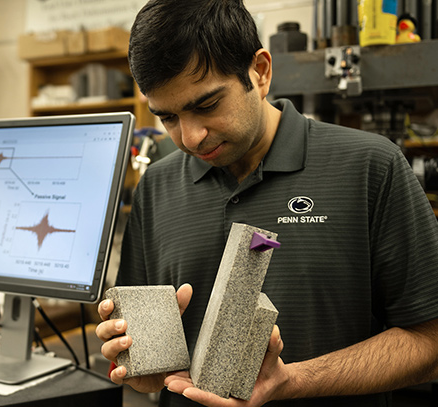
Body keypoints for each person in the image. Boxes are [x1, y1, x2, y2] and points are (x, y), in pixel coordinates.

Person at [95, 0, 438, 406]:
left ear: (259, 71)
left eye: (206, 105)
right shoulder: (157, 185)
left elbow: (429, 343)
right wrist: (140, 367)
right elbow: (142, 364)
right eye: (168, 117)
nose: (190, 137)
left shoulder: (370, 167)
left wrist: (292, 380)